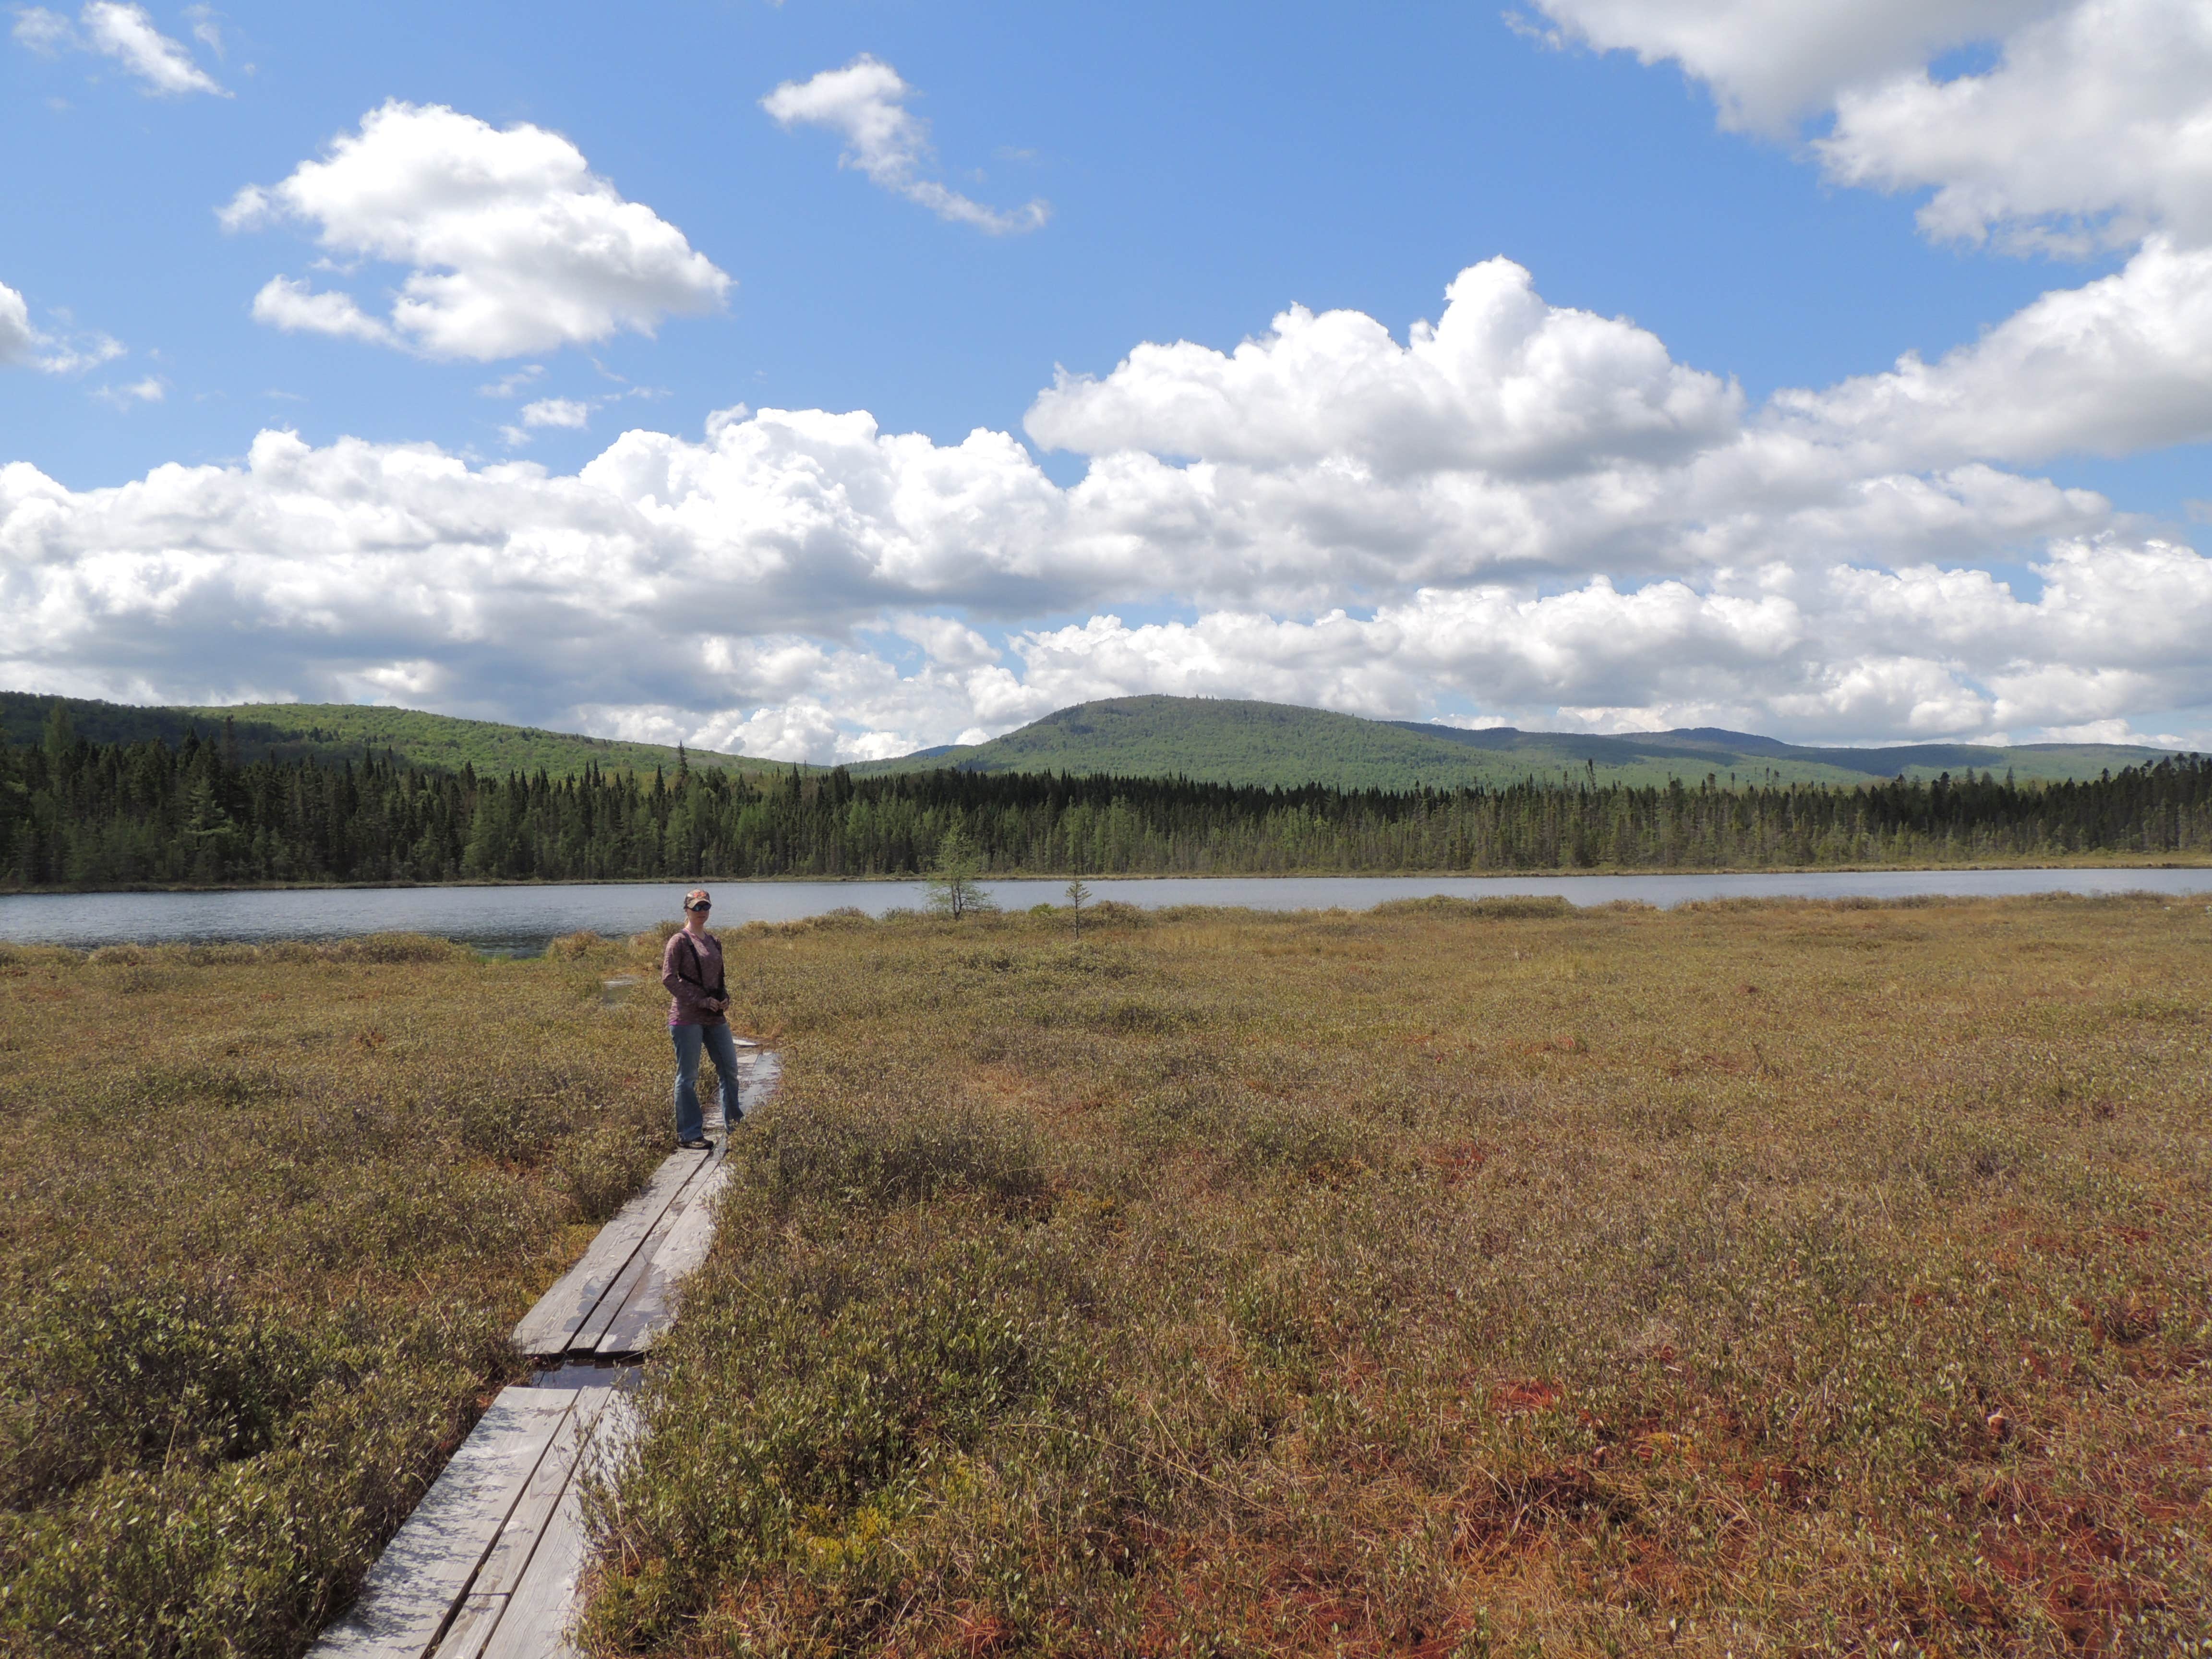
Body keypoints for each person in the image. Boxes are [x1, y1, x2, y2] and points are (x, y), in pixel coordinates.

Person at [661, 888, 743, 1150]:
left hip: (714, 1016)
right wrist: (699, 1001)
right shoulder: (678, 941)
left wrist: (724, 997)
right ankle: (689, 1134)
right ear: (686, 909)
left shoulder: (714, 941)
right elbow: (669, 978)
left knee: (730, 1069)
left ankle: (736, 1127)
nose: (702, 912)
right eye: (697, 907)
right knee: (688, 1076)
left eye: (705, 906)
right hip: (686, 1018)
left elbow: (718, 979)